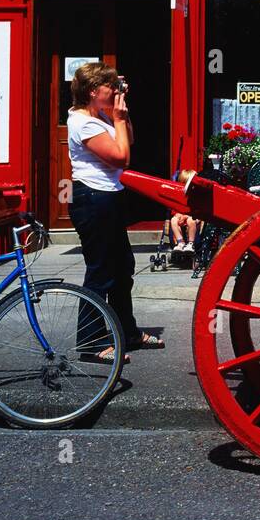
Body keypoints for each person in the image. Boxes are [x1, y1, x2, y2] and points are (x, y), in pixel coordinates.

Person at [66, 63, 164, 361]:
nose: (116, 91)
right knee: (101, 272)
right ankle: (90, 342)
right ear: (94, 92)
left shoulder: (100, 116)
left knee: (122, 269)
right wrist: (118, 119)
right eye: (111, 87)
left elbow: (128, 139)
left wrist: (121, 115)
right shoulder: (83, 123)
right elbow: (122, 157)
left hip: (107, 198)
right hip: (92, 199)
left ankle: (127, 332)